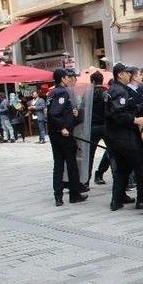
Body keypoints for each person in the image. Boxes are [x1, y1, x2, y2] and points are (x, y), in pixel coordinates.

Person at [104, 63, 143, 211]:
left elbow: (126, 109)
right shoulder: (119, 91)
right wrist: (135, 120)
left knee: (122, 169)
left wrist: (142, 106)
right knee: (141, 166)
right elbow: (118, 115)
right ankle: (142, 200)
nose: (129, 75)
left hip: (114, 137)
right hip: (124, 136)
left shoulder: (114, 90)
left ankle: (116, 201)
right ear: (120, 74)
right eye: (126, 72)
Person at [46, 68, 87, 206]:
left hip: (54, 134)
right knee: (71, 164)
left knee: (58, 165)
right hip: (63, 135)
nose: (69, 79)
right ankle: (74, 194)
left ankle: (58, 195)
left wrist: (72, 113)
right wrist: (62, 127)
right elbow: (54, 113)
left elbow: (58, 112)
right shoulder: (62, 92)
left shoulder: (51, 92)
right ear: (63, 79)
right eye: (67, 77)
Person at [88, 71, 110, 185]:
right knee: (111, 151)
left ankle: (85, 181)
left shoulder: (88, 95)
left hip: (92, 126)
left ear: (92, 81)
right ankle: (100, 173)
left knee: (89, 154)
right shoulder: (106, 93)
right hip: (106, 125)